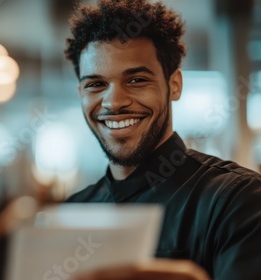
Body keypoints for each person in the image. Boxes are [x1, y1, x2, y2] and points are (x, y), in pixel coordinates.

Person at [63, 1, 261, 279]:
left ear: (174, 85)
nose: (114, 102)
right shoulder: (72, 211)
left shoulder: (236, 199)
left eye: (136, 80)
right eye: (95, 84)